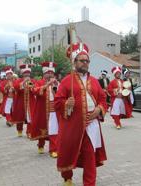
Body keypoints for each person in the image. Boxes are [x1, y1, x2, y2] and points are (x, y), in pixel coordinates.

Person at [55, 42, 107, 186]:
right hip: (72, 127)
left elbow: (103, 99)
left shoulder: (95, 81)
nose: (85, 63)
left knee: (90, 157)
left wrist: (99, 110)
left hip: (91, 127)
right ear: (74, 62)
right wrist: (67, 104)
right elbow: (57, 102)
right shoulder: (66, 82)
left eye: (87, 60)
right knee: (67, 155)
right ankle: (67, 177)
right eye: (82, 60)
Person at [30, 62, 59, 158]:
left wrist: (56, 86)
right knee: (42, 129)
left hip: (54, 110)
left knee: (54, 129)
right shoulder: (39, 82)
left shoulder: (56, 82)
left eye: (52, 72)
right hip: (42, 110)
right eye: (48, 72)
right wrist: (47, 85)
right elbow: (35, 91)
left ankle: (53, 149)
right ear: (44, 73)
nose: (50, 74)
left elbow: (61, 94)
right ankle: (41, 145)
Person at [11, 64, 36, 137]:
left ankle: (29, 132)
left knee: (30, 117)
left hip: (30, 102)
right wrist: (24, 82)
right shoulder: (18, 80)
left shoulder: (32, 80)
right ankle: (19, 130)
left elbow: (34, 89)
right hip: (20, 102)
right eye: (25, 73)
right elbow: (16, 88)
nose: (27, 74)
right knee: (20, 116)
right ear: (22, 73)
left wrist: (31, 84)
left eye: (28, 73)